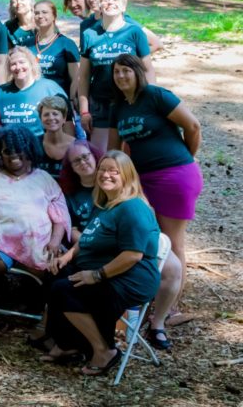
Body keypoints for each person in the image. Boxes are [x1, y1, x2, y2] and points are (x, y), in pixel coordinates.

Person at [109, 53, 202, 337]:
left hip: (175, 176)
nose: (121, 76)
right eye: (116, 72)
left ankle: (170, 306)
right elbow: (116, 150)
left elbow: (193, 126)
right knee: (149, 238)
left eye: (126, 71)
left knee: (173, 243)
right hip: (142, 181)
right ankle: (147, 295)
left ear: (138, 72)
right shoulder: (119, 108)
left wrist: (185, 157)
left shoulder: (156, 96)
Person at [45, 151, 162, 375]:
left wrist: (96, 275)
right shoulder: (105, 204)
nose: (105, 175)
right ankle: (69, 344)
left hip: (130, 277)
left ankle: (104, 350)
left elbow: (132, 255)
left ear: (126, 176)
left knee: (64, 291)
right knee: (55, 274)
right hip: (105, 270)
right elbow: (88, 237)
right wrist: (66, 257)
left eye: (113, 171)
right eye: (102, 169)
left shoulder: (132, 207)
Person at [0, 125, 70, 348]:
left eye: (19, 150)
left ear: (29, 149)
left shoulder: (44, 178)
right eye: (7, 151)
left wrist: (56, 240)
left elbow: (60, 216)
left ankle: (47, 329)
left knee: (65, 265)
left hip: (40, 247)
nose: (13, 155)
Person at [78, 0, 154, 150]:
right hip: (100, 103)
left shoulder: (134, 32)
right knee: (102, 155)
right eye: (106, 0)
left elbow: (148, 69)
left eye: (115, 0)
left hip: (131, 100)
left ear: (124, 6)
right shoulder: (89, 34)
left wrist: (150, 100)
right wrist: (84, 111)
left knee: (131, 152)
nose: (110, 3)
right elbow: (83, 76)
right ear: (99, 6)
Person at [0, 46, 65, 136]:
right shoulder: (0, 93)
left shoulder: (50, 88)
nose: (18, 67)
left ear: (31, 63)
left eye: (22, 62)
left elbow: (67, 122)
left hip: (42, 146)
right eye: (13, 64)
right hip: (9, 147)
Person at [27, 0, 79, 98]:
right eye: (37, 13)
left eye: (44, 12)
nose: (40, 16)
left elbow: (76, 78)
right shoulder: (26, 44)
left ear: (54, 16)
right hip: (32, 97)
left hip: (58, 98)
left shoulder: (67, 44)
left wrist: (71, 100)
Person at [38, 96, 76, 180]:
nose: (51, 118)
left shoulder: (77, 145)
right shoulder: (34, 144)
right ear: (41, 119)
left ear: (64, 118)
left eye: (55, 114)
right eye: (46, 114)